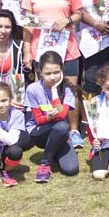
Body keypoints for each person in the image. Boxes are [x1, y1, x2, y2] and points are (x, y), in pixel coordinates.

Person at [21, 0, 84, 148]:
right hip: (43, 50)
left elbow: (79, 13)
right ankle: (53, 127)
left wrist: (67, 19)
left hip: (68, 48)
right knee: (48, 90)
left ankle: (74, 130)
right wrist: (27, 51)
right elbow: (27, 24)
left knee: (71, 90)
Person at [25, 51, 80, 182]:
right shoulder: (32, 89)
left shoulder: (68, 90)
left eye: (56, 72)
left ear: (62, 70)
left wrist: (55, 91)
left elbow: (61, 115)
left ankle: (54, 150)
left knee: (71, 169)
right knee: (62, 126)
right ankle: (45, 164)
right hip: (39, 132)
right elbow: (38, 120)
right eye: (48, 73)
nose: (52, 77)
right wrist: (49, 118)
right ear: (40, 72)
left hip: (59, 131)